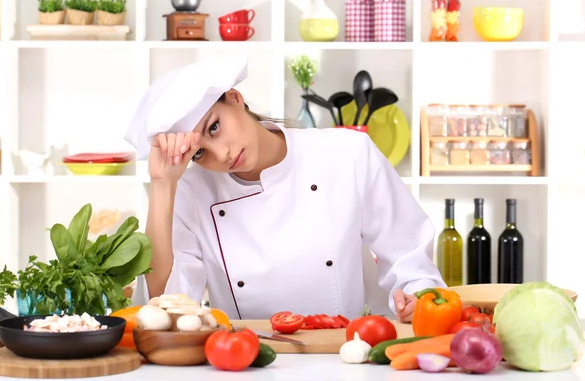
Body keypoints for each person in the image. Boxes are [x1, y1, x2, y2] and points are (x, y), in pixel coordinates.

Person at [125, 55, 446, 323]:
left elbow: (407, 252)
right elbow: (164, 305)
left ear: (235, 98)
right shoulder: (192, 192)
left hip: (342, 355)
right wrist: (164, 184)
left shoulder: (347, 153)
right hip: (244, 360)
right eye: (198, 153)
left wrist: (417, 297)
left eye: (214, 127)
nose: (221, 154)